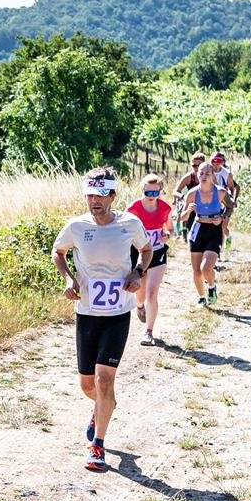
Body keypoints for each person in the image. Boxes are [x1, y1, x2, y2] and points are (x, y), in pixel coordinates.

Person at [53, 168, 153, 471]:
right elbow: (59, 252)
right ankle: (102, 405)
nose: (94, 201)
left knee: (104, 378)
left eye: (100, 195)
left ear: (112, 196)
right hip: (87, 314)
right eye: (89, 195)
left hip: (117, 314)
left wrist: (138, 272)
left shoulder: (129, 224)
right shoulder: (76, 226)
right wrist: (69, 279)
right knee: (87, 386)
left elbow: (146, 250)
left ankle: (97, 445)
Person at [126, 173, 173, 346]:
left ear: (160, 191)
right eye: (148, 193)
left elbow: (170, 228)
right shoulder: (133, 208)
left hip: (158, 252)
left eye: (156, 193)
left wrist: (167, 235)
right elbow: (124, 228)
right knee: (141, 292)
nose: (152, 197)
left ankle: (149, 331)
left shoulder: (165, 208)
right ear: (142, 191)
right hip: (139, 253)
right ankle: (139, 306)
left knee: (152, 293)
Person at [179, 162, 233, 307]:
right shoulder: (192, 193)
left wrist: (222, 217)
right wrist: (189, 210)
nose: (203, 176)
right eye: (201, 173)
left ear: (212, 175)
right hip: (198, 230)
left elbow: (230, 207)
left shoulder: (220, 192)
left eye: (207, 174)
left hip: (214, 231)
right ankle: (202, 297)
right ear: (197, 175)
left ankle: (211, 287)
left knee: (206, 267)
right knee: (196, 271)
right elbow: (182, 218)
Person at [174, 152, 206, 241]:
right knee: (193, 231)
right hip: (192, 207)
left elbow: (217, 189)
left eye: (198, 165)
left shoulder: (210, 176)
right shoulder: (189, 177)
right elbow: (175, 191)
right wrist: (184, 196)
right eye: (193, 165)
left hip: (206, 206)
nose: (196, 168)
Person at [210, 152, 240, 249]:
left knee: (222, 227)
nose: (216, 163)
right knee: (214, 226)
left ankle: (221, 249)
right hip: (211, 201)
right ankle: (215, 246)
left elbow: (233, 188)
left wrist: (232, 200)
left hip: (224, 202)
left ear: (222, 162)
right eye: (213, 160)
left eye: (218, 161)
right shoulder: (207, 171)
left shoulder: (227, 173)